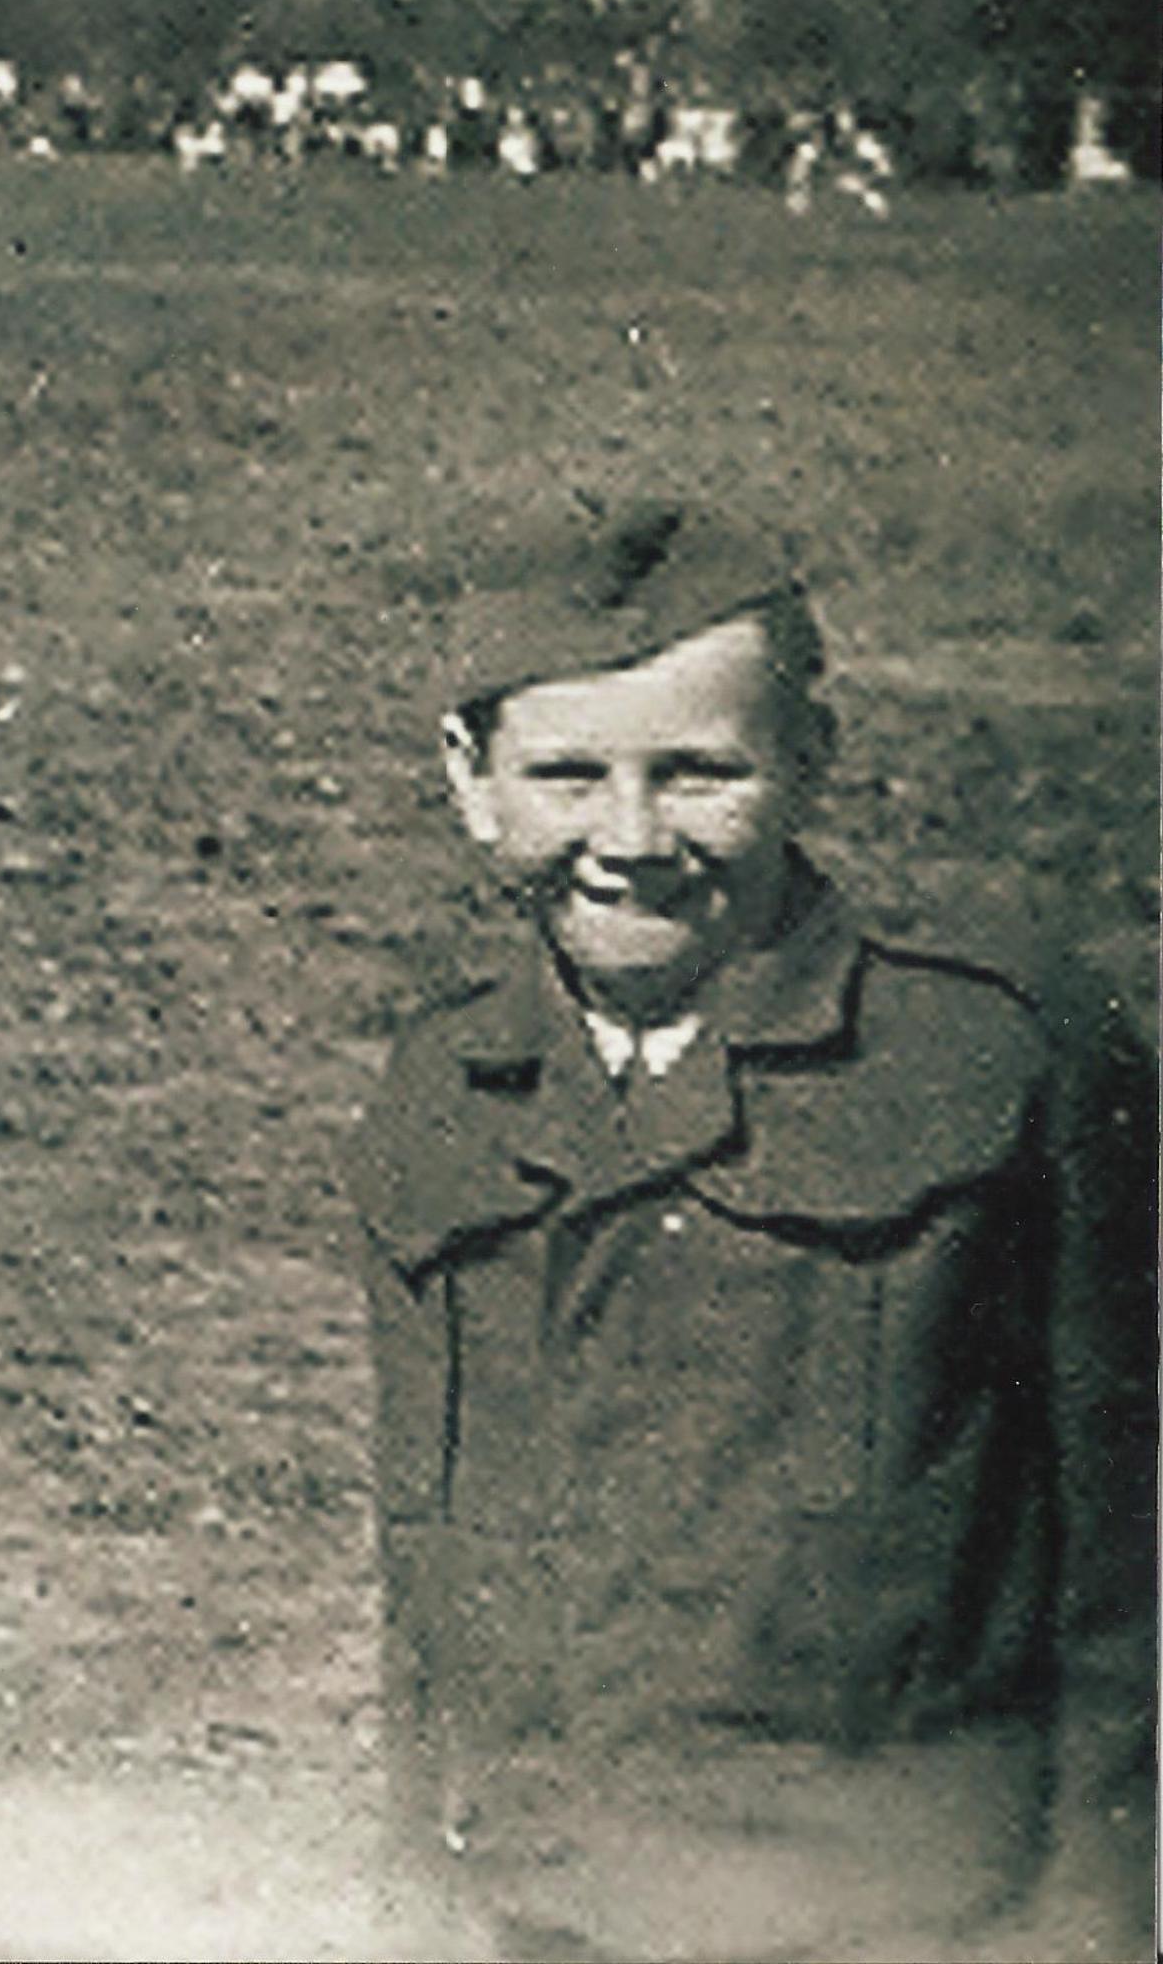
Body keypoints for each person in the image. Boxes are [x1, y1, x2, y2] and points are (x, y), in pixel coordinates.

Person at [345, 503, 1155, 1962]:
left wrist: (1095, 1929)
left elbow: (1129, 1571)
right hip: (540, 1909)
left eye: (700, 773)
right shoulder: (442, 1094)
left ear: (810, 759)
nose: (631, 840)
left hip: (902, 1919)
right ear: (471, 782)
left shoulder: (997, 1050)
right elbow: (432, 1597)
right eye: (567, 775)